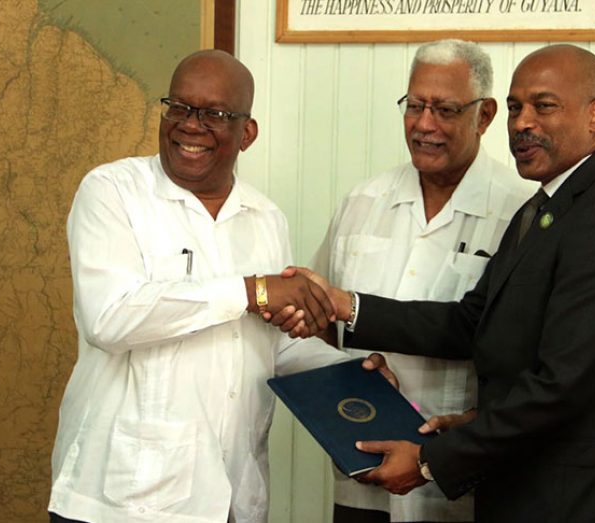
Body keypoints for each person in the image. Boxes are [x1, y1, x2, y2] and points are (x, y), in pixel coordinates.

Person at [279, 44, 595, 522]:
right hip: (519, 489)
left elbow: (563, 386)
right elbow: (472, 321)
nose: (522, 122)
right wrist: (346, 305)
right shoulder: (546, 207)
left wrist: (429, 463)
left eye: (543, 106)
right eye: (515, 107)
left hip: (584, 499)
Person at [47, 49, 387, 523]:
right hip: (123, 498)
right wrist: (251, 291)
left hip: (230, 496)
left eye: (214, 114)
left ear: (246, 133)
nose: (190, 124)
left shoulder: (265, 216)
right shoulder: (112, 191)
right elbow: (110, 318)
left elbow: (270, 347)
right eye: (180, 107)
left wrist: (354, 375)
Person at [310, 39, 532, 523]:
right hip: (362, 476)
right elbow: (320, 318)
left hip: (462, 491)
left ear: (485, 115)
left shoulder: (520, 212)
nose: (424, 124)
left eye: (446, 109)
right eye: (415, 106)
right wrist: (352, 375)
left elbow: (525, 356)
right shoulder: (362, 201)